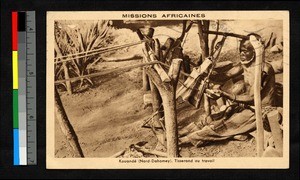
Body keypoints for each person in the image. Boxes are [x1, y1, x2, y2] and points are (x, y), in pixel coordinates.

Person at [179, 34, 277, 147]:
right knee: (216, 117)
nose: (242, 54)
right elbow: (227, 75)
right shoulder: (245, 65)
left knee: (222, 126)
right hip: (246, 106)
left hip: (259, 111)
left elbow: (252, 97)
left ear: (255, 52)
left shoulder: (264, 70)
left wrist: (225, 94)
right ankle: (180, 132)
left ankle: (183, 140)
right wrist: (204, 73)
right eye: (241, 50)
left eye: (245, 51)